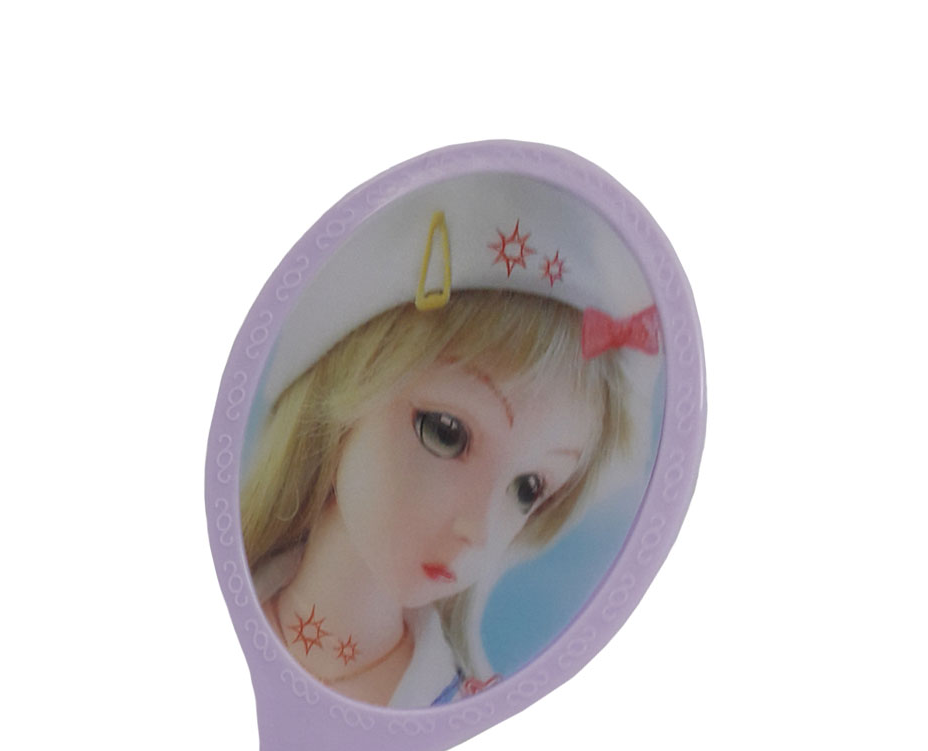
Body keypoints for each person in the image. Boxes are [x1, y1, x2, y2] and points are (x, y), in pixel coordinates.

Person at [240, 178, 658, 708]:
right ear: (340, 395)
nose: (478, 530)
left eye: (528, 488)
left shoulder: (453, 697)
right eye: (445, 432)